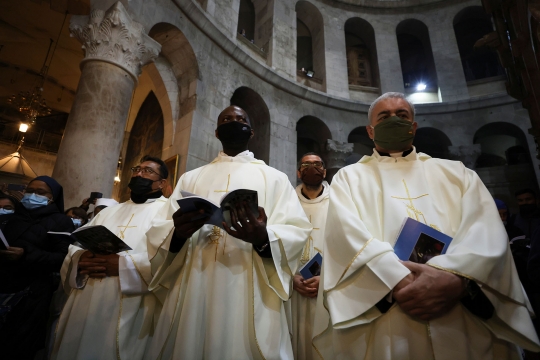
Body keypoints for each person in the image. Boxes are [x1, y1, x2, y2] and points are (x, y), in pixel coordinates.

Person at [312, 92, 540, 359]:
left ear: (414, 127)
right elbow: (346, 235)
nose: (394, 120)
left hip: (460, 306)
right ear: (370, 131)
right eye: (384, 117)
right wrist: (400, 281)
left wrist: (454, 279)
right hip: (392, 309)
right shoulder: (349, 178)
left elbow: (485, 231)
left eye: (402, 115)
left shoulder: (458, 174)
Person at [144, 105, 312, 359]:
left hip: (251, 282)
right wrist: (178, 234)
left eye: (240, 119)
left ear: (251, 132)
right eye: (227, 119)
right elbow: (161, 229)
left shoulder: (275, 178)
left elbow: (296, 231)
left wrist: (264, 238)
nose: (234, 122)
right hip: (195, 282)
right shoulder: (191, 178)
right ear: (216, 131)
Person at [51, 156, 168, 360]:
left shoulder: (169, 211)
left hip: (132, 302)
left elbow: (172, 258)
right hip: (87, 297)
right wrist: (81, 259)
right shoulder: (110, 211)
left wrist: (125, 265)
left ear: (162, 183)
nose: (139, 174)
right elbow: (76, 245)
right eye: (137, 169)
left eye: (148, 171)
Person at [0, 176, 74, 360]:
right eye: (30, 191)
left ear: (53, 197)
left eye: (40, 192)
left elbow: (62, 258)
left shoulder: (60, 221)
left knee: (17, 347)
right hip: (3, 283)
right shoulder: (13, 216)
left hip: (31, 295)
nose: (33, 195)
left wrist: (25, 254)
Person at [286, 152, 329, 360]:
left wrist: (328, 278)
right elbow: (275, 245)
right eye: (306, 165)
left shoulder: (339, 202)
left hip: (328, 288)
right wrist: (289, 278)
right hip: (293, 289)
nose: (312, 168)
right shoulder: (286, 203)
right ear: (298, 172)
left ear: (325, 171)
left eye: (317, 164)